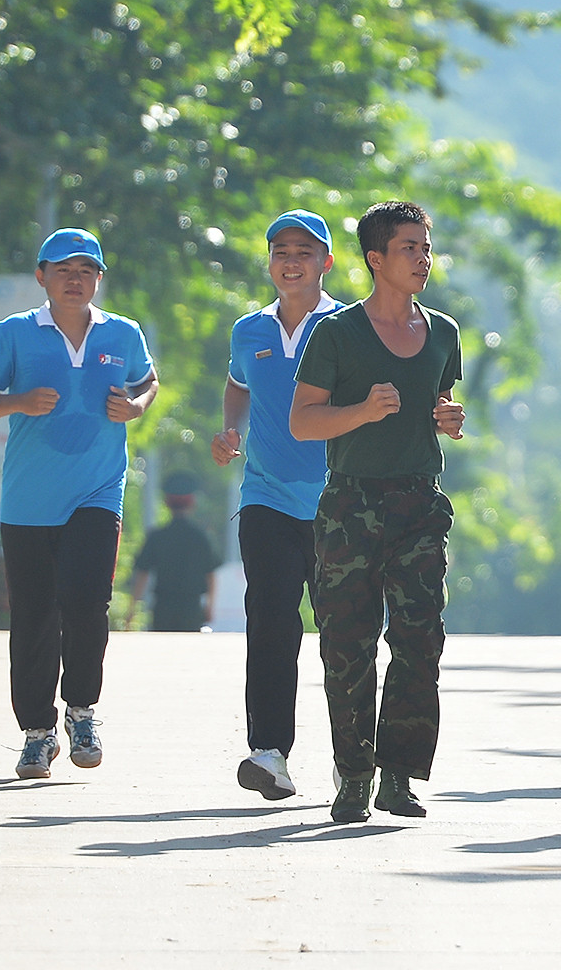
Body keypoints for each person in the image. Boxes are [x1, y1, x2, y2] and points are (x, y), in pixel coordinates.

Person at [0, 228, 158, 780]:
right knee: (33, 615)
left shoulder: (122, 333)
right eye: (63, 269)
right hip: (27, 499)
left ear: (99, 279)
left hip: (97, 490)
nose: (76, 279)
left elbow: (148, 382)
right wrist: (19, 400)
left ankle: (82, 711)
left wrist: (136, 406)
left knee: (86, 602)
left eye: (86, 270)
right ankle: (36, 732)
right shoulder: (16, 334)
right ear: (42, 276)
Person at [291, 201, 465, 823]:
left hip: (419, 501)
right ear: (375, 259)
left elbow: (441, 402)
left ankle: (399, 776)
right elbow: (303, 420)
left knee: (420, 640)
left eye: (425, 246)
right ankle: (354, 773)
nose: (422, 258)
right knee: (346, 644)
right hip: (349, 505)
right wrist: (361, 411)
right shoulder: (336, 334)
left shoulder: (442, 332)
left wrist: (449, 418)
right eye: (408, 248)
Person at [213, 209, 340, 801]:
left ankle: (353, 756)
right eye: (281, 251)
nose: (292, 261)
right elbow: (238, 385)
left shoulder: (348, 327)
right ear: (270, 263)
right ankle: (269, 752)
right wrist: (231, 429)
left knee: (345, 632)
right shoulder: (249, 331)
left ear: (326, 263)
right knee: (270, 621)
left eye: (305, 252)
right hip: (265, 495)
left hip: (340, 499)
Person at [128, 472, 222, 632]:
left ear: (167, 502)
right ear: (192, 502)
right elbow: (211, 575)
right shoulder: (201, 538)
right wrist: (210, 607)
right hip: (191, 609)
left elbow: (142, 574)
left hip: (163, 609)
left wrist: (132, 610)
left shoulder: (157, 537)